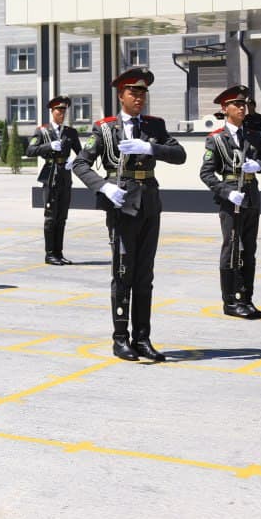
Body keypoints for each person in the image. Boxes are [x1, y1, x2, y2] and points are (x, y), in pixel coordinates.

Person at [73, 66, 186, 362]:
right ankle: (120, 338)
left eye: (143, 92)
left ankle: (143, 338)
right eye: (133, 92)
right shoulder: (105, 128)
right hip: (121, 204)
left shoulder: (154, 126)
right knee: (123, 273)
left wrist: (150, 147)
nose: (139, 98)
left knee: (145, 275)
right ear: (120, 95)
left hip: (149, 203)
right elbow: (80, 164)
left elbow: (180, 155)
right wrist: (103, 187)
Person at [199, 85, 261, 319]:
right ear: (225, 108)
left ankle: (246, 298)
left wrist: (259, 166)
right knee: (232, 248)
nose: (243, 108)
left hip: (251, 197)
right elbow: (206, 173)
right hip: (231, 200)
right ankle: (231, 301)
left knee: (249, 250)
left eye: (244, 104)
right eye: (237, 104)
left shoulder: (252, 135)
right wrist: (226, 192)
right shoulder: (216, 139)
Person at [25, 95, 82, 265]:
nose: (62, 114)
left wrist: (73, 162)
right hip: (50, 176)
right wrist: (48, 146)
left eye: (64, 111)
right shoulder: (42, 131)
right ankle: (50, 254)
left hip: (65, 176)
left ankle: (59, 253)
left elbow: (81, 153)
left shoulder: (70, 132)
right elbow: (30, 150)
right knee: (51, 217)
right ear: (52, 111)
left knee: (62, 217)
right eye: (59, 110)